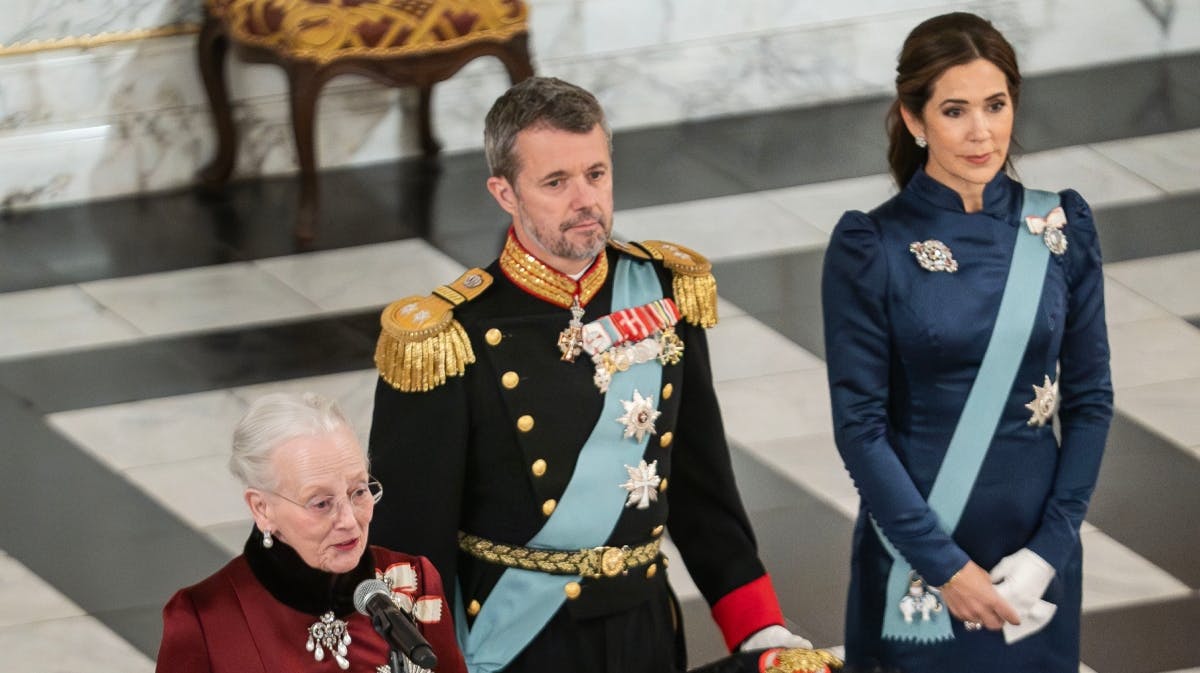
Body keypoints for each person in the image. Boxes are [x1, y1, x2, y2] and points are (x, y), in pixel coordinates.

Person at [367, 76, 813, 673]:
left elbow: (702, 488)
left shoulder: (663, 294)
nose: (585, 200)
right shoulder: (448, 338)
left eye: (596, 174)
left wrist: (757, 625)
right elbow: (410, 540)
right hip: (518, 643)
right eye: (556, 182)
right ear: (504, 192)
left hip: (645, 627)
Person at [821, 12, 1113, 673]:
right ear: (915, 118)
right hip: (918, 565)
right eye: (955, 110)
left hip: (1036, 565)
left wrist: (1051, 548)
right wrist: (946, 567)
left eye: (996, 105)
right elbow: (859, 428)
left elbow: (1091, 399)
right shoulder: (872, 245)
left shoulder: (1061, 226)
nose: (981, 132)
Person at [155, 392, 467, 673]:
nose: (348, 519)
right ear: (262, 508)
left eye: (358, 491)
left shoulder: (412, 581)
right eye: (321, 503)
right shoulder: (202, 620)